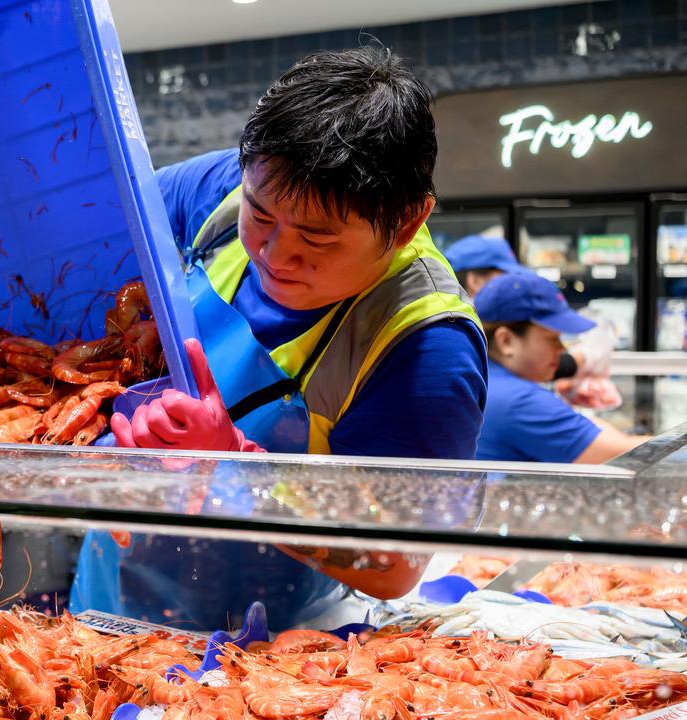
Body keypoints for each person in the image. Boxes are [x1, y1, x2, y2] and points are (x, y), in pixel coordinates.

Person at [71, 47, 488, 632]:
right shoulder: (226, 190)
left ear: (408, 223)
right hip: (102, 600)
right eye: (261, 217)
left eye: (317, 240)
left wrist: (235, 469)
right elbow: (79, 238)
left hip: (268, 647)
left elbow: (394, 564)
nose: (274, 252)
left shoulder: (425, 350)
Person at [473, 273, 649, 464]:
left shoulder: (486, 379)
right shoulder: (519, 401)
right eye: (552, 339)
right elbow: (628, 456)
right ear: (506, 341)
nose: (562, 348)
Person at [445, 234, 620, 407]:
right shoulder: (456, 331)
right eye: (507, 277)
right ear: (475, 280)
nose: (515, 283)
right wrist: (585, 356)